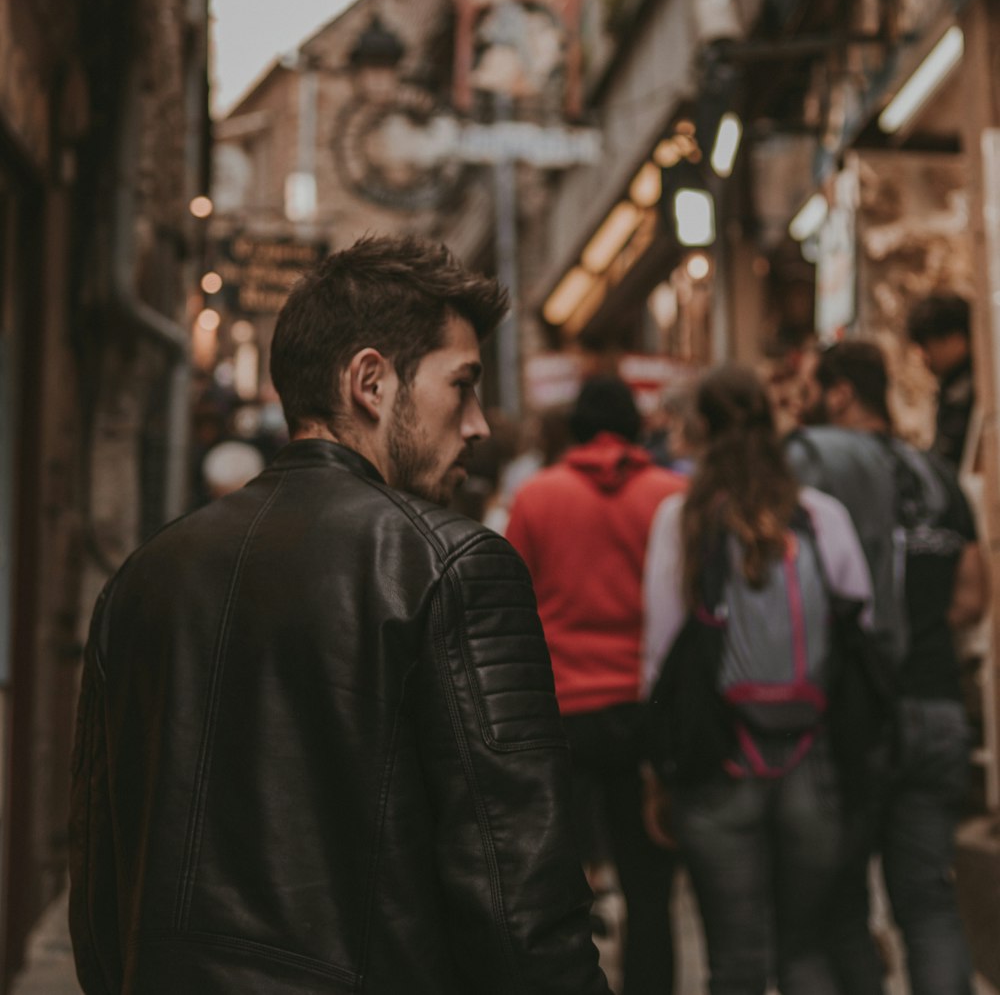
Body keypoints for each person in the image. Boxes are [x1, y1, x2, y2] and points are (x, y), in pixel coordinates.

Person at [69, 234, 610, 995]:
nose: (480, 424)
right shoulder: (454, 565)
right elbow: (519, 890)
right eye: (463, 385)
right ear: (371, 381)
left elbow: (97, 887)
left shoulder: (142, 579)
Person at [643, 365, 872, 995]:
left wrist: (658, 771)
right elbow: (862, 624)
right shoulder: (819, 516)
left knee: (737, 961)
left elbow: (662, 649)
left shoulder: (681, 519)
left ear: (700, 430)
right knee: (806, 951)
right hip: (812, 756)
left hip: (718, 758)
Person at [790, 339, 989, 995]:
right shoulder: (936, 473)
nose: (802, 401)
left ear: (840, 391)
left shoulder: (817, 466)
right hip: (935, 703)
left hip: (856, 712)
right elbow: (971, 594)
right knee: (928, 899)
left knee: (841, 903)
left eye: (809, 386)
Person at [506, 375, 687, 995]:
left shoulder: (535, 497)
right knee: (650, 884)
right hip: (646, 712)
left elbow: (511, 604)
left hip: (563, 713)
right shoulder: (671, 495)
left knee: (555, 889)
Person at [907, 293, 976, 469]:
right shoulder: (953, 385)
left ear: (954, 338)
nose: (923, 356)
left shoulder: (970, 388)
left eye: (927, 345)